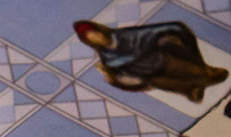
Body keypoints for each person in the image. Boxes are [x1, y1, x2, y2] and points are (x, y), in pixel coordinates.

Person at [74, 20, 227, 102]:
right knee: (173, 84)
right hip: (152, 76)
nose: (97, 39)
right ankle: (194, 87)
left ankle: (207, 76)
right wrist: (113, 77)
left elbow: (172, 28)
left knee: (195, 72)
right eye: (91, 39)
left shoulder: (126, 35)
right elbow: (119, 78)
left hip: (165, 61)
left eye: (96, 34)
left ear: (101, 31)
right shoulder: (107, 58)